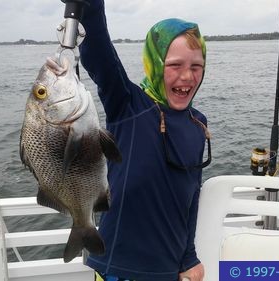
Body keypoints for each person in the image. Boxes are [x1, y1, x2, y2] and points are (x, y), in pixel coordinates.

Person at [78, 1, 210, 280]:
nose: (187, 76)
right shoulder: (128, 105)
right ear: (154, 62)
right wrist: (89, 8)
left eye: (196, 66)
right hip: (118, 268)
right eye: (174, 65)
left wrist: (189, 257)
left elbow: (191, 196)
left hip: (169, 269)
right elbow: (100, 54)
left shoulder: (198, 123)